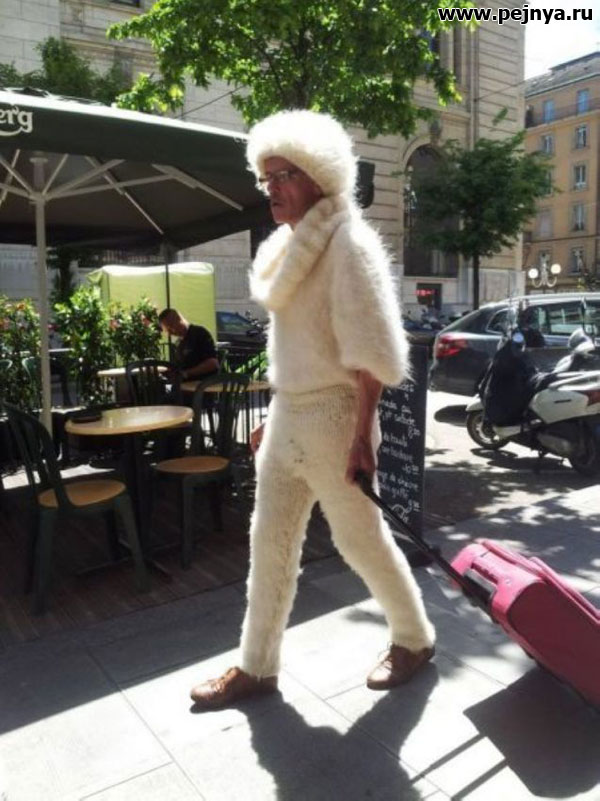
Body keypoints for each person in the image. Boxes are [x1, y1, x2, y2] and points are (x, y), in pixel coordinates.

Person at [190, 110, 435, 709]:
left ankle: (414, 637)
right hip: (290, 416)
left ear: (319, 176)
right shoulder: (287, 249)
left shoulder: (349, 244)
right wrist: (277, 412)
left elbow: (372, 356)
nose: (271, 188)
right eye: (266, 177)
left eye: (285, 175)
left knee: (360, 541)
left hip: (336, 417)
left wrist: (361, 437)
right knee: (268, 541)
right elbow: (299, 348)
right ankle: (257, 665)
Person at [158, 308, 219, 380]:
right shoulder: (178, 342)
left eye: (170, 328)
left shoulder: (199, 333)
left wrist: (186, 373)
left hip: (204, 382)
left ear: (178, 320)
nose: (169, 333)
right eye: (166, 330)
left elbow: (213, 364)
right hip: (187, 383)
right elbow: (179, 367)